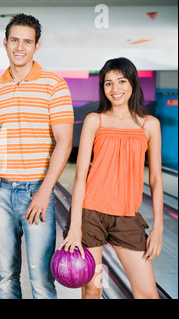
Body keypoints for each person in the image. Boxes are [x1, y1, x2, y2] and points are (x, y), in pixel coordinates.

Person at [0, 13, 74, 299]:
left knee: (41, 278)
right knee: (6, 276)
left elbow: (65, 142)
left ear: (36, 46)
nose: (20, 47)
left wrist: (45, 193)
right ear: (5, 43)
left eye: (27, 42)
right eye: (14, 41)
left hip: (37, 190)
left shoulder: (54, 85)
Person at [61, 57, 163, 299]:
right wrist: (75, 226)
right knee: (93, 289)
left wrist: (158, 227)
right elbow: (80, 176)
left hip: (126, 220)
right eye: (108, 83)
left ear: (133, 83)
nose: (115, 89)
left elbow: (156, 180)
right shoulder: (95, 120)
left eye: (121, 81)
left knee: (148, 294)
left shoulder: (150, 125)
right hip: (90, 217)